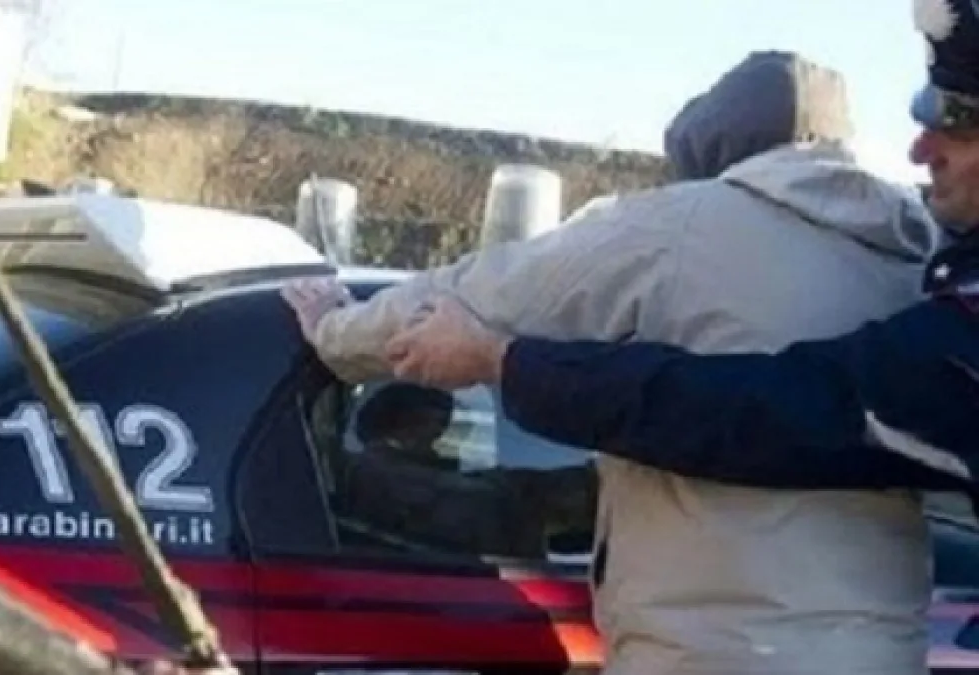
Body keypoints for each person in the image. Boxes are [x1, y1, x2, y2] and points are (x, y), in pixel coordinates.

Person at [283, 51, 941, 675]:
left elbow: (481, 294)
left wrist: (335, 332)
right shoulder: (915, 253)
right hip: (885, 650)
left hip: (715, 651)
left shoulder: (683, 225)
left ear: (711, 147)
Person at [376, 0, 979, 506]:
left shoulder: (677, 225)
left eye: (959, 121)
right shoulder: (907, 254)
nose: (920, 151)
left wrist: (502, 362)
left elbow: (776, 412)